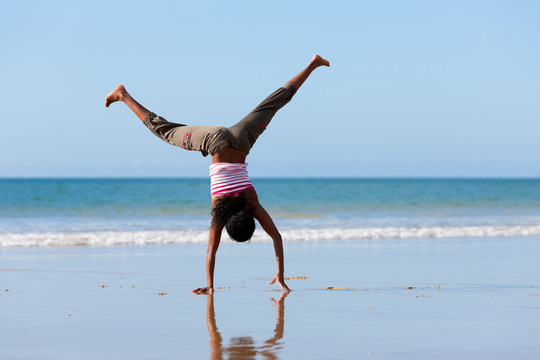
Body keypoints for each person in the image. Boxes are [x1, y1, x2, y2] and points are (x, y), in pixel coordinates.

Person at [105, 54, 330, 294]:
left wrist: (280, 273)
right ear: (228, 224)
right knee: (167, 131)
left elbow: (277, 238)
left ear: (249, 219)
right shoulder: (220, 210)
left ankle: (313, 64)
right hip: (215, 141)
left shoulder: (252, 203)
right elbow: (212, 251)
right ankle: (123, 95)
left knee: (273, 103)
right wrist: (210, 286)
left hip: (241, 140)